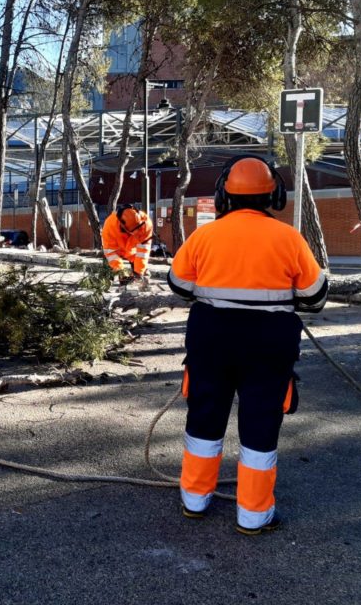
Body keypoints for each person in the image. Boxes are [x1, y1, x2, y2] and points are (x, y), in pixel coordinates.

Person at [167, 155, 327, 535]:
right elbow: (315, 297)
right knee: (260, 422)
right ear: (274, 195)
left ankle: (195, 500)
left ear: (224, 194)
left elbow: (178, 285)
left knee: (204, 415)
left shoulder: (204, 235)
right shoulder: (289, 237)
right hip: (269, 342)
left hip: (211, 337)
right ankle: (253, 516)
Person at [101, 204, 153, 283]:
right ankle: (106, 281)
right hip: (116, 251)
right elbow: (110, 252)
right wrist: (121, 271)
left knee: (141, 273)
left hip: (133, 253)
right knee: (113, 272)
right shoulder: (109, 226)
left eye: (137, 229)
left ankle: (142, 276)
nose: (136, 233)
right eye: (132, 231)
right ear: (122, 225)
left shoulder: (146, 225)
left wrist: (139, 272)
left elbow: (143, 251)